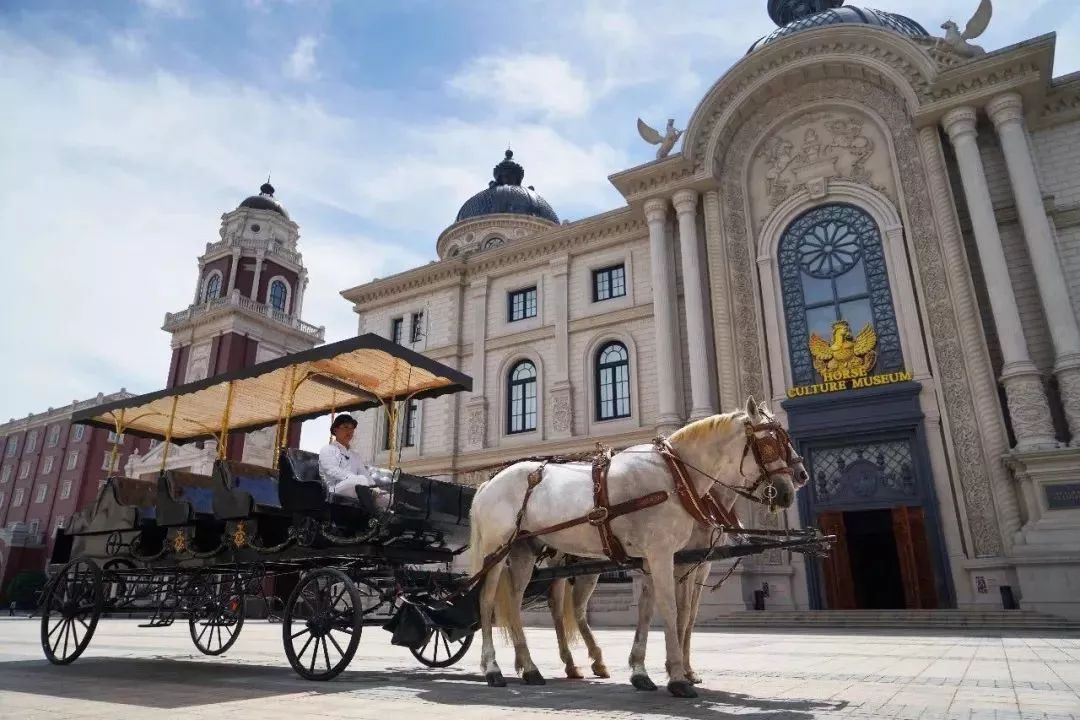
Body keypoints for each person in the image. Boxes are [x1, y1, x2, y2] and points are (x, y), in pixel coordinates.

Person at [318, 414, 394, 511]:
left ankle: (382, 518)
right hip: (334, 489)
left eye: (352, 428)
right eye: (345, 427)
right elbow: (332, 471)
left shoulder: (355, 455)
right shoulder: (327, 449)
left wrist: (376, 489)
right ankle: (372, 513)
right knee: (360, 480)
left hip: (358, 487)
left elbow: (364, 474)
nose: (349, 431)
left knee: (389, 498)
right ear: (335, 430)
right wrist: (356, 478)